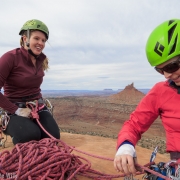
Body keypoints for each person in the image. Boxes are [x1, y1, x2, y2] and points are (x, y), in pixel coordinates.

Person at [114, 18, 180, 176]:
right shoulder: (160, 91)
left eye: (171, 66)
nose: (167, 75)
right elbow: (134, 124)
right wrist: (126, 146)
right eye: (160, 70)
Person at [0, 19, 60, 145]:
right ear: (25, 39)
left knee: (53, 137)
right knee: (30, 136)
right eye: (36, 38)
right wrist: (16, 110)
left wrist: (37, 106)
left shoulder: (41, 61)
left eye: (43, 40)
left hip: (37, 106)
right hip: (14, 110)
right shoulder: (10, 58)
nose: (41, 43)